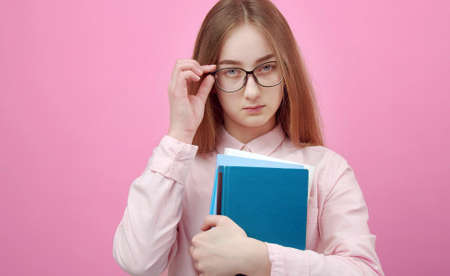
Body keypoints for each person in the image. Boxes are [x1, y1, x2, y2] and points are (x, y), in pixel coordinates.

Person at [112, 0, 384, 275]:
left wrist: (264, 260)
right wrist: (180, 135)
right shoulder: (179, 169)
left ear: (286, 70)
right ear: (210, 79)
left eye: (266, 67)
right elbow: (138, 262)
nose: (252, 92)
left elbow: (366, 271)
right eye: (232, 72)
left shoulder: (328, 170)